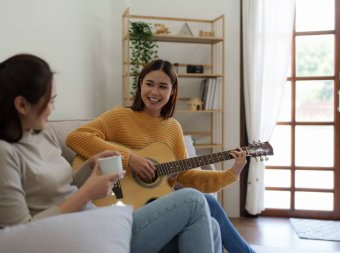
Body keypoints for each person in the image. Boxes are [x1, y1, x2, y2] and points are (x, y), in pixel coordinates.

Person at [0, 54, 223, 253]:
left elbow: (64, 185)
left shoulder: (41, 134)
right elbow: (19, 232)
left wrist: (88, 169)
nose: (52, 108)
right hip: (75, 235)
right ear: (22, 105)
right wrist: (86, 194)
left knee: (208, 224)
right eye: (50, 100)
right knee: (192, 200)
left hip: (97, 220)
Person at [66, 59, 256, 253]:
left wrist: (232, 173)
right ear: (140, 84)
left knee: (211, 209)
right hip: (119, 203)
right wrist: (130, 159)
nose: (154, 92)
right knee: (207, 205)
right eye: (149, 84)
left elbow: (187, 176)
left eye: (162, 86)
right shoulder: (119, 117)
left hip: (154, 206)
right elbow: (77, 137)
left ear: (172, 91)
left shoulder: (173, 128)